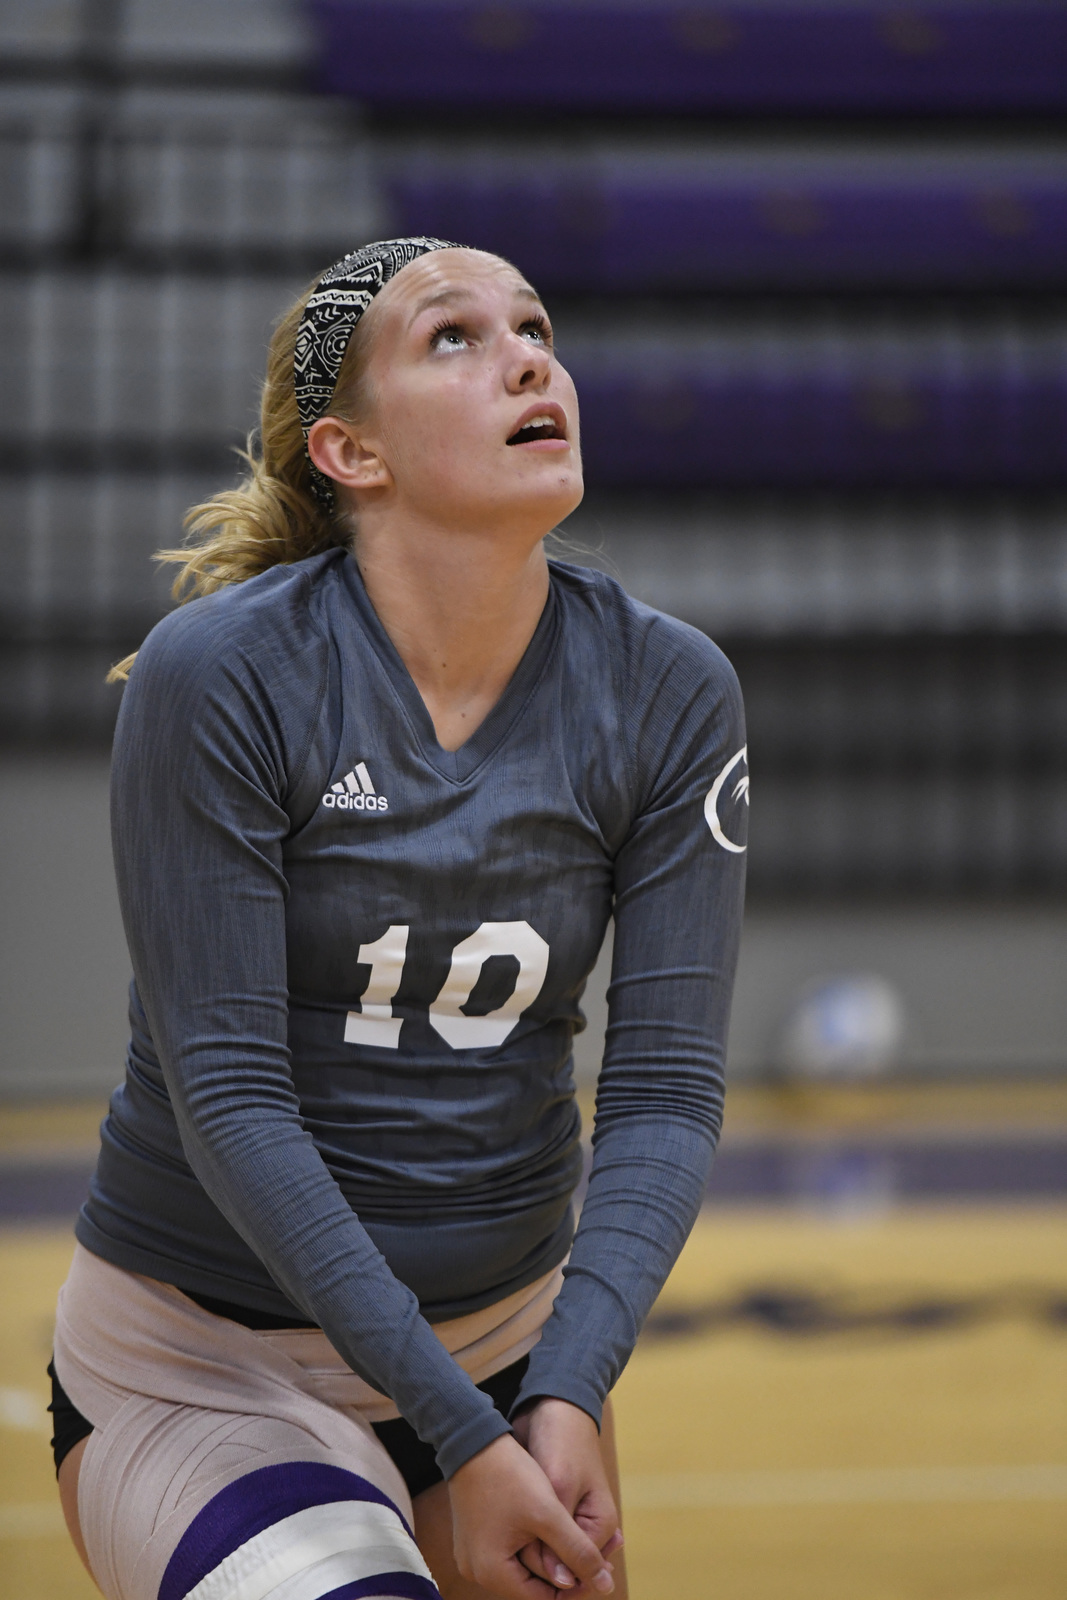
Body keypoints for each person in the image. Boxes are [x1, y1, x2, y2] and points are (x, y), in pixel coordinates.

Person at [48, 237, 748, 1600]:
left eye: (535, 325)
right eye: (454, 337)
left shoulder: (669, 689)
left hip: (514, 1360)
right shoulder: (228, 673)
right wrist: (464, 1431)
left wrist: (565, 1386)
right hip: (214, 1371)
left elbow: (664, 1091)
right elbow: (234, 1099)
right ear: (349, 452)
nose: (529, 355)